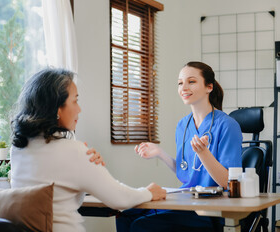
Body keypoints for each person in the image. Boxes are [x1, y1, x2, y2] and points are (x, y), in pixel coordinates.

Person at [10, 68, 166, 232]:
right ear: (57, 109)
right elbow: (120, 199)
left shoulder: (18, 149)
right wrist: (148, 192)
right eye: (75, 101)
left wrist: (88, 170)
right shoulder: (73, 150)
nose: (79, 109)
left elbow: (60, 194)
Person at [116, 61, 243, 232]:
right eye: (180, 83)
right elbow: (186, 172)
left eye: (191, 81)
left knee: (142, 225)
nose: (184, 87)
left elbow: (228, 183)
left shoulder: (227, 125)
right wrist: (160, 154)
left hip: (211, 211)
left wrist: (204, 153)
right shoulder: (183, 125)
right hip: (186, 201)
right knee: (126, 216)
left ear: (209, 87)